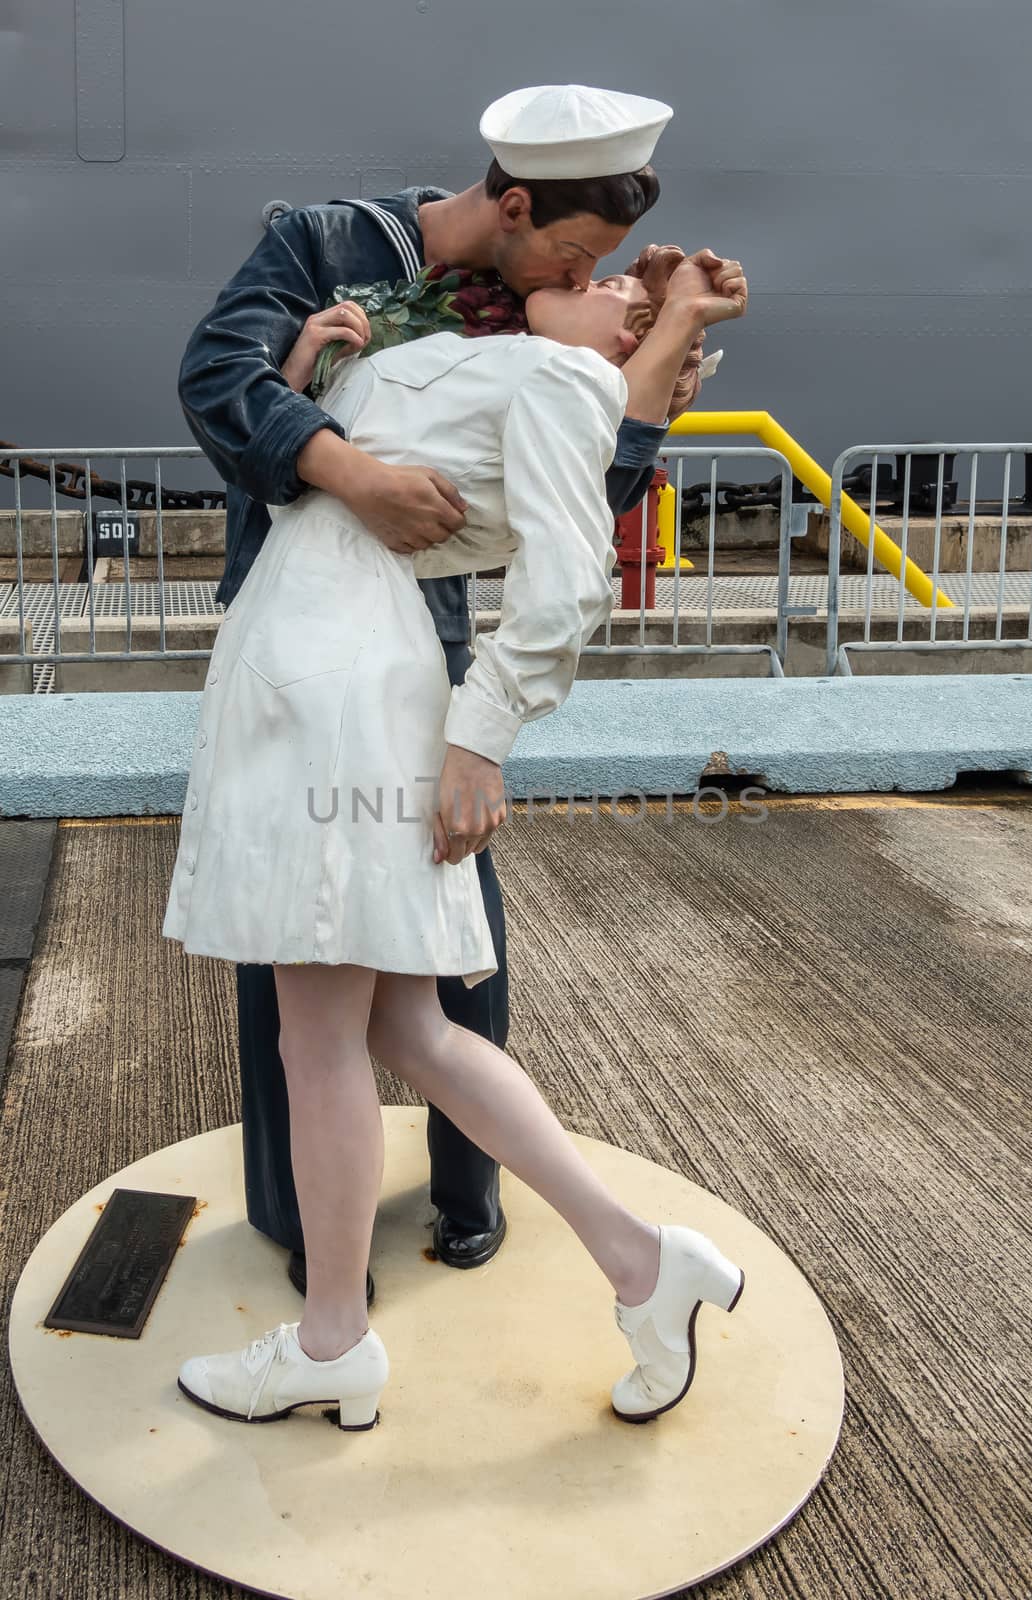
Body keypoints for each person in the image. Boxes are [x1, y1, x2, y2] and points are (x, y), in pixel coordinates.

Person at [164, 242, 750, 1431]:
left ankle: (332, 1339)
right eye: (602, 275)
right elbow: (304, 480)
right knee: (401, 1024)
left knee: (318, 1032)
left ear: (612, 347)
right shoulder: (500, 360)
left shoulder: (557, 377)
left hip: (337, 680)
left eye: (618, 297)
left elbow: (569, 576)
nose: (603, 277)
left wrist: (481, 740)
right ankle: (640, 1261)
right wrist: (305, 373)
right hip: (326, 660)